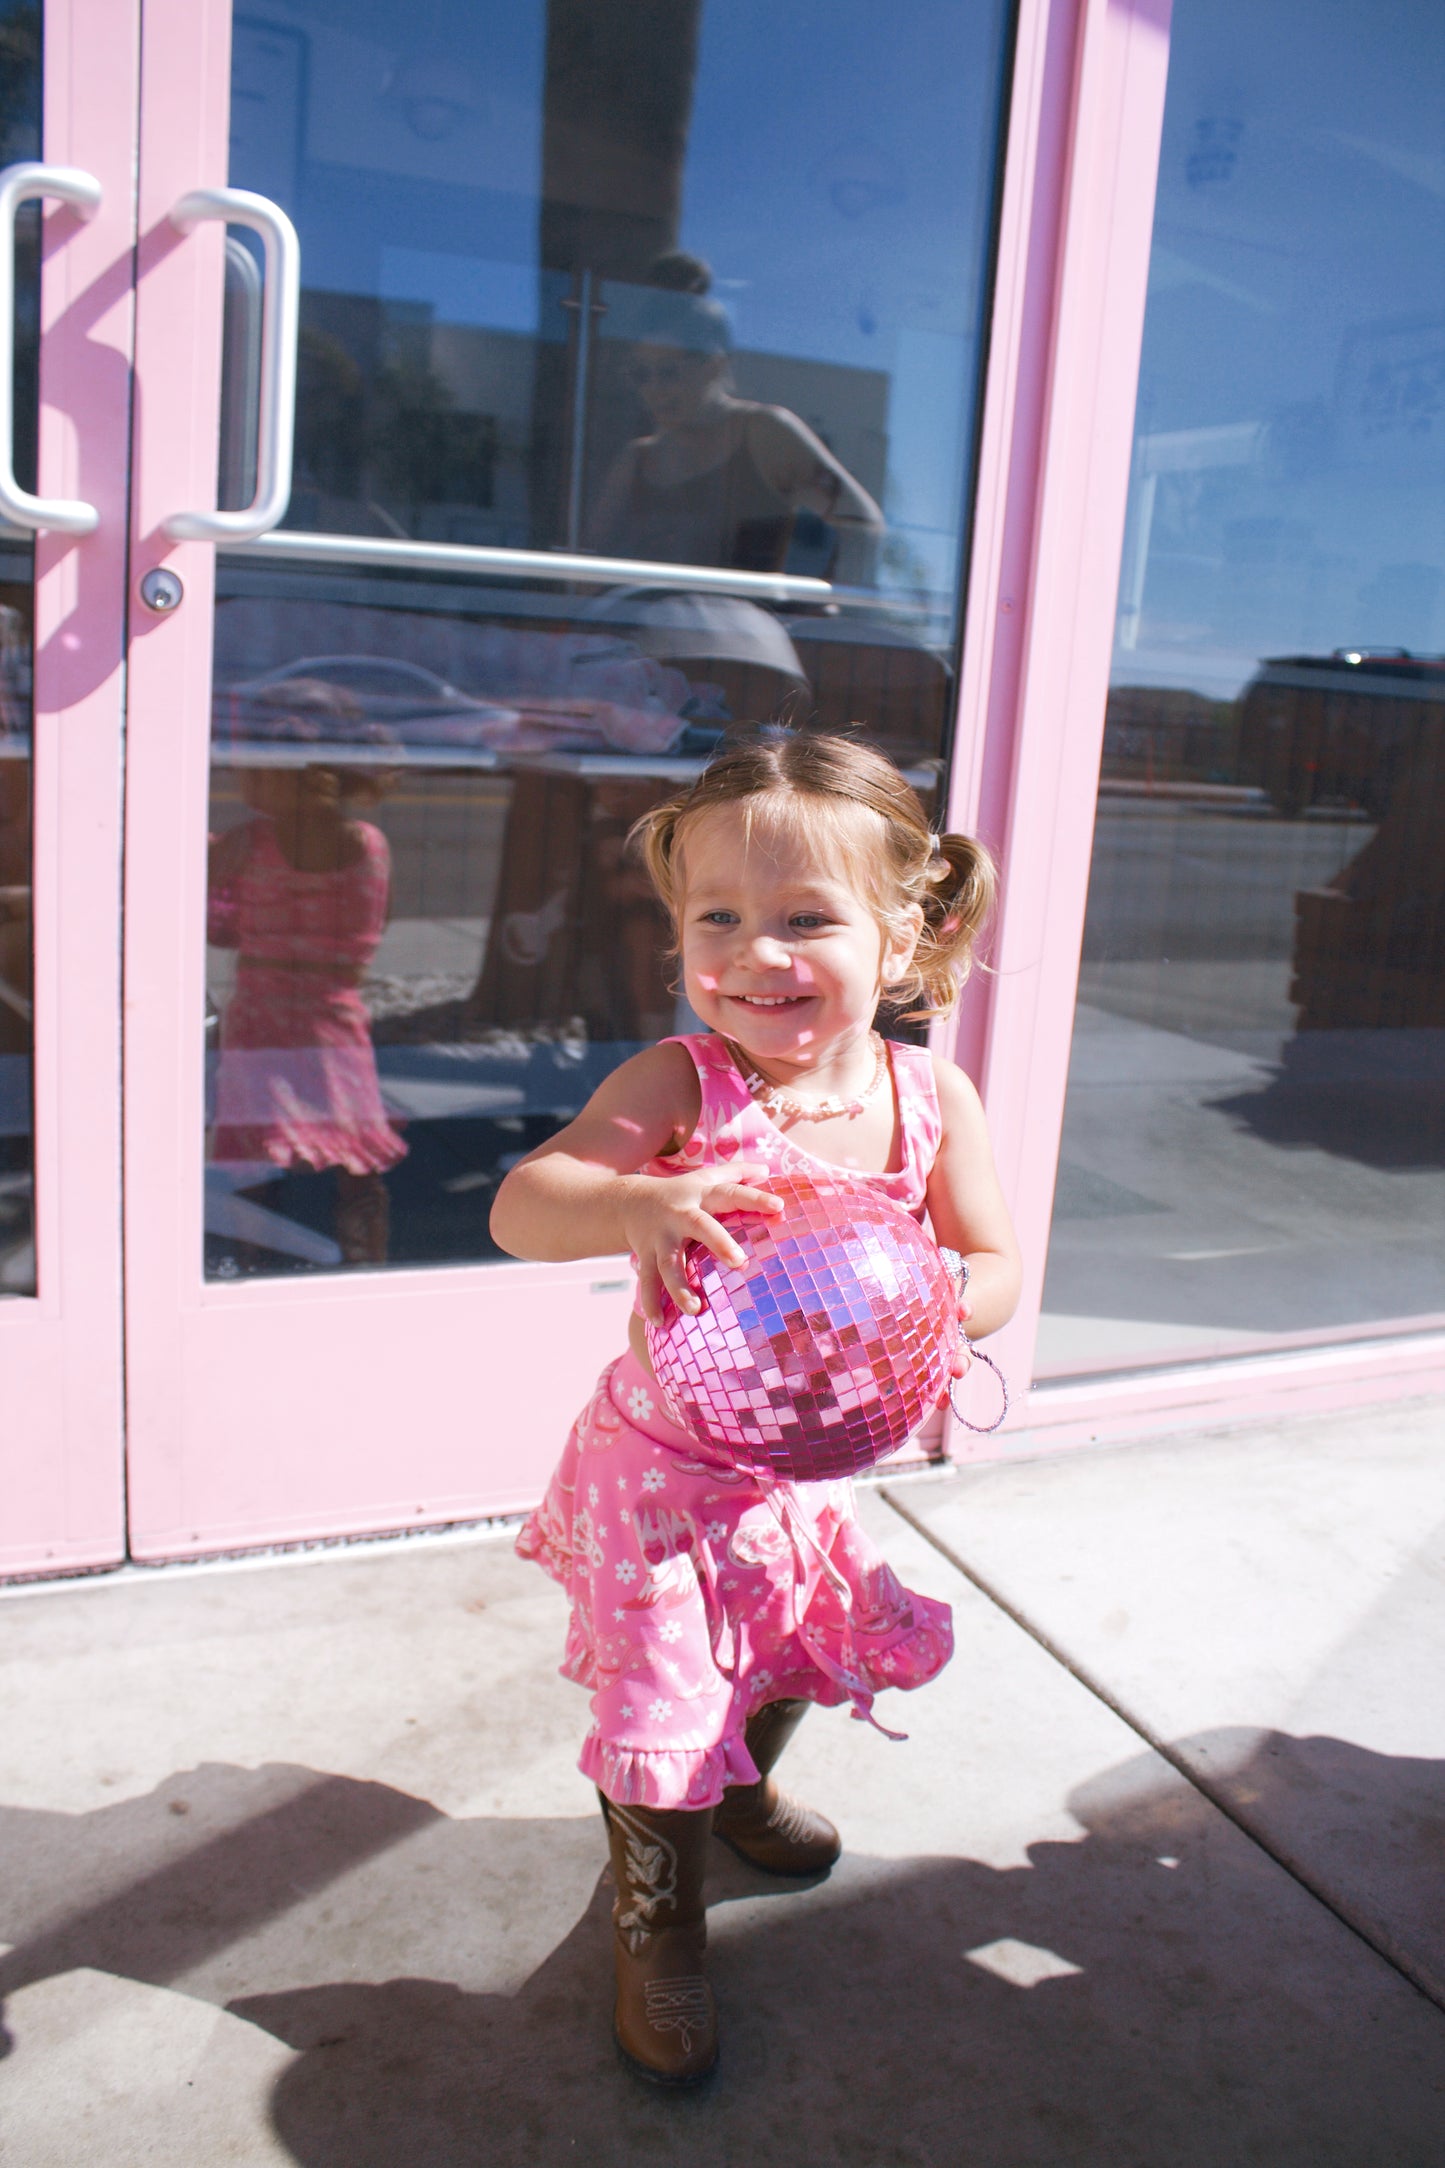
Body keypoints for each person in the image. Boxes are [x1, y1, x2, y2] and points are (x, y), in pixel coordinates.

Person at [490, 731, 1021, 2085]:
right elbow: (521, 1206)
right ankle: (657, 1923)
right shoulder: (680, 1087)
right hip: (663, 1478)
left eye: (805, 919)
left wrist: (929, 1304)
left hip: (808, 1476)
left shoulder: (927, 1098)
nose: (754, 954)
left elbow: (997, 1262)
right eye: (716, 917)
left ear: (904, 938)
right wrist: (632, 1198)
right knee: (667, 1704)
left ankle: (739, 1793)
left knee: (795, 1650)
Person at [207, 682, 406, 1265]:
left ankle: (249, 1258)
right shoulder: (370, 844)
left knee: (254, 1151)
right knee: (354, 1152)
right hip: (333, 1018)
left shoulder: (246, 844)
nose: (242, 781)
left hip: (260, 1018)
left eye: (254, 769)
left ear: (289, 773)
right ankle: (368, 1258)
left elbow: (216, 926)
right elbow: (372, 924)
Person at [586, 277, 884, 582]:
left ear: (714, 365)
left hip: (745, 626)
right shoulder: (636, 460)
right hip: (641, 622)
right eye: (641, 375)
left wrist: (813, 604)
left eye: (668, 373)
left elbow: (860, 524)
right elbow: (590, 559)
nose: (654, 389)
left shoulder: (765, 432)